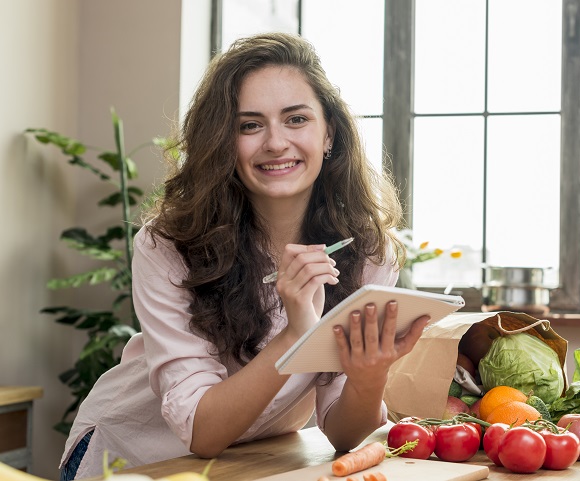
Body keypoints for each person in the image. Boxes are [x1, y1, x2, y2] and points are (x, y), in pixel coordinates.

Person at [58, 32, 429, 480]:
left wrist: (369, 377)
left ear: (328, 132)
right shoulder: (168, 244)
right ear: (224, 142)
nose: (275, 143)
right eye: (250, 125)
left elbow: (345, 434)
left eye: (296, 119)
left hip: (246, 465)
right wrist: (296, 335)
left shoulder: (367, 251)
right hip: (134, 461)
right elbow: (201, 432)